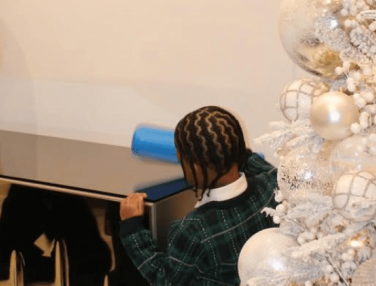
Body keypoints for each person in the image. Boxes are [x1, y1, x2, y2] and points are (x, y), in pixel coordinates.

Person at [118, 106, 278, 286]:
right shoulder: (271, 184)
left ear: (196, 168)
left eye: (181, 161)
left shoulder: (193, 230)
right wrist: (226, 148)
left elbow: (166, 279)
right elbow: (256, 162)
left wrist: (132, 230)